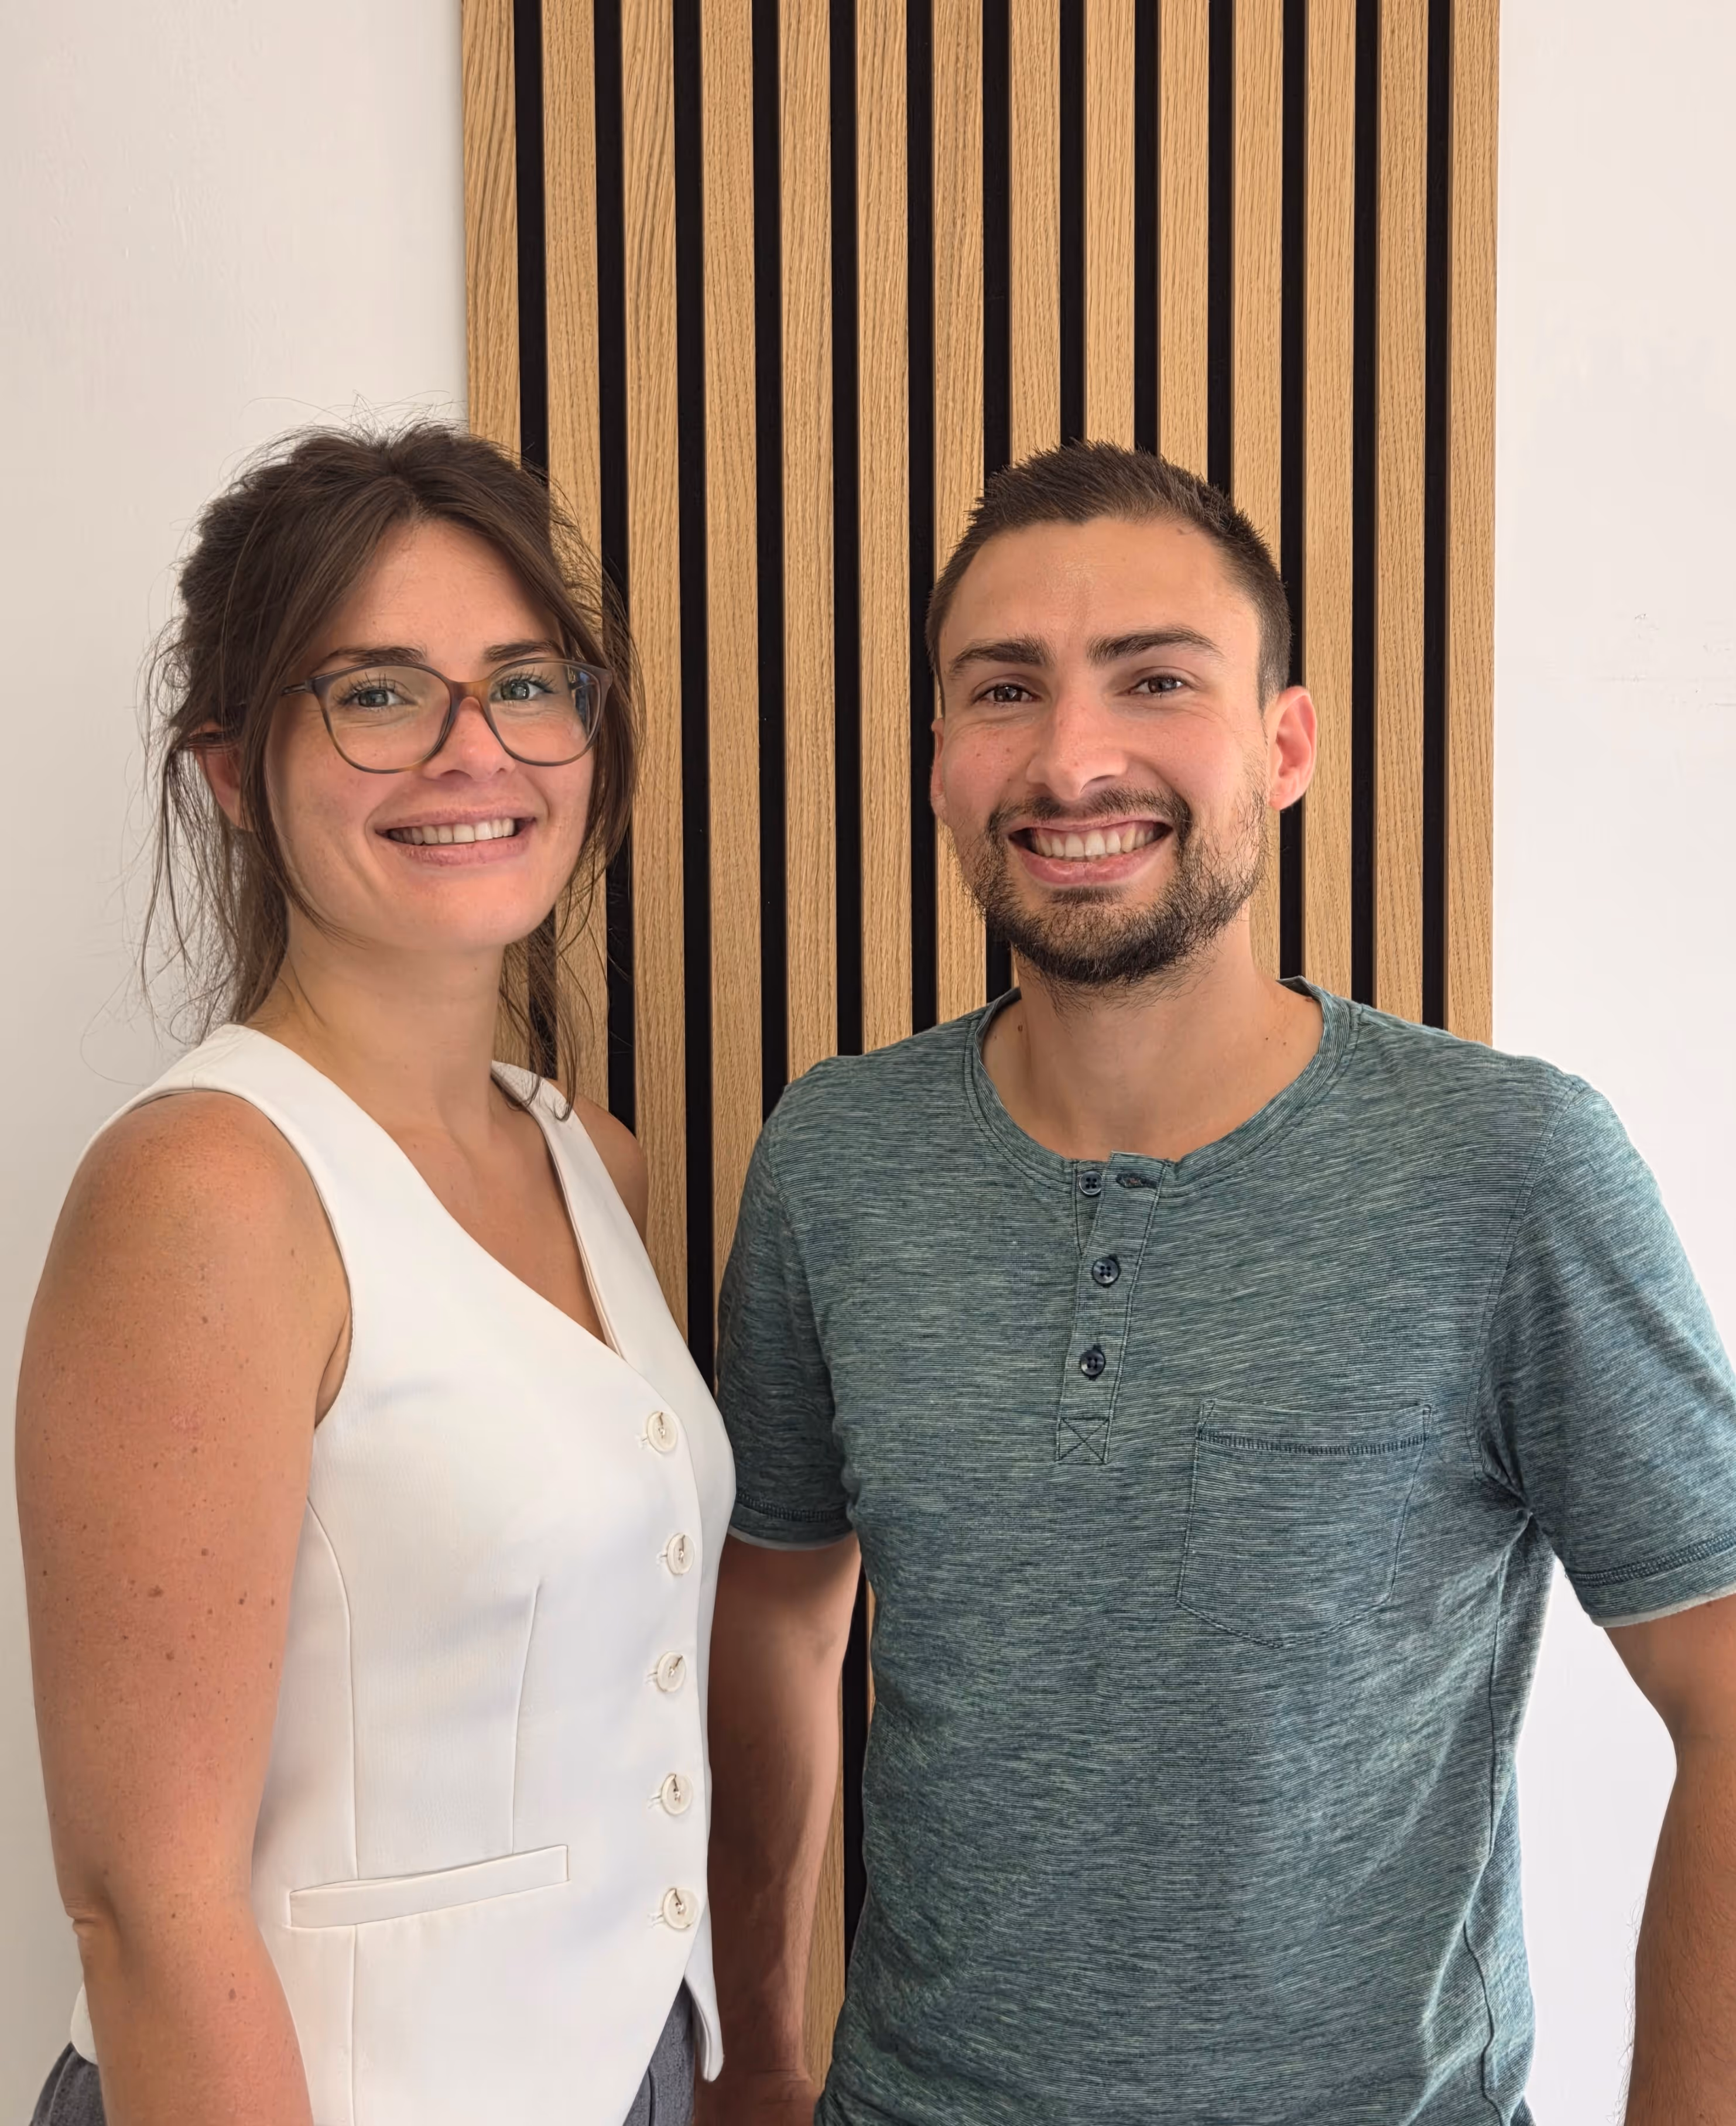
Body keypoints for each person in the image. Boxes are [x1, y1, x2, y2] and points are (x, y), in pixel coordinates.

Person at [700, 441, 1736, 2125]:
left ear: (1285, 743)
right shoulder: (835, 1156)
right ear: (942, 768)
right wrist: (758, 2055)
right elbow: (775, 1613)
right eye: (1002, 689)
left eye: (1153, 679)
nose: (1072, 754)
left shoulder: (1507, 1161)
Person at [18, 424, 732, 2126]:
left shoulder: (584, 1152)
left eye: (525, 685)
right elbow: (148, 1903)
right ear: (231, 772)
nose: (473, 751)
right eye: (379, 692)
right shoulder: (204, 1189)